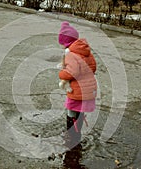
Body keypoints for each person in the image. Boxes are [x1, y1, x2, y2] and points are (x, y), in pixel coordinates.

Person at [58, 21, 97, 149]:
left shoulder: (71, 54)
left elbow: (71, 72)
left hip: (76, 90)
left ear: (66, 43)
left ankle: (71, 135)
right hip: (88, 89)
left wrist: (61, 75)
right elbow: (93, 67)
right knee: (80, 111)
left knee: (71, 109)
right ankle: (77, 132)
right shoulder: (86, 51)